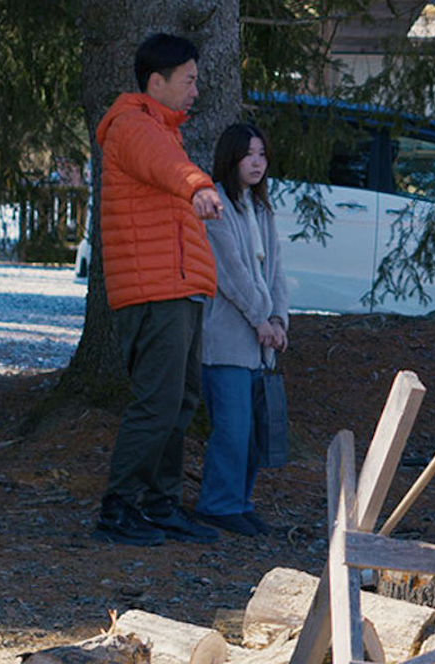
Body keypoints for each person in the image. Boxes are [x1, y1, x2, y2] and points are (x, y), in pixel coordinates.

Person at [92, 33, 224, 546]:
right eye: (188, 80)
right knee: (158, 403)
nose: (196, 89)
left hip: (177, 288)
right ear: (156, 82)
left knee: (180, 401)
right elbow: (169, 171)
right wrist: (199, 185)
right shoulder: (133, 125)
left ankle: (161, 504)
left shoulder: (163, 130)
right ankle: (117, 508)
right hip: (154, 293)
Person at [195, 123, 289, 536]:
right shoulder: (217, 206)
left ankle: (240, 501)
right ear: (231, 157)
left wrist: (280, 321)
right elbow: (229, 274)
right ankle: (217, 503)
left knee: (252, 431)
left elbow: (277, 273)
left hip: (261, 342)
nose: (257, 162)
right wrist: (261, 320)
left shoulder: (261, 209)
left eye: (262, 154)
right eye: (249, 154)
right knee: (231, 428)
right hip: (228, 340)